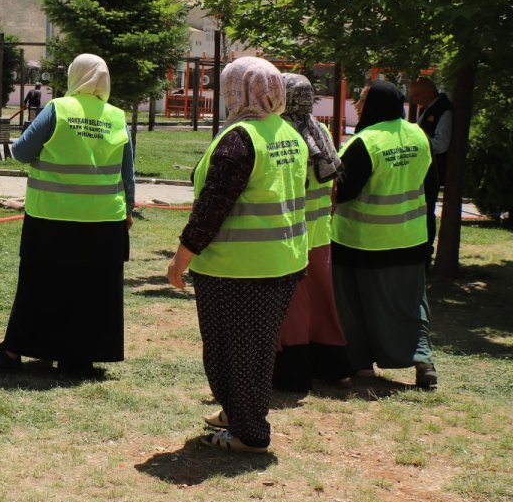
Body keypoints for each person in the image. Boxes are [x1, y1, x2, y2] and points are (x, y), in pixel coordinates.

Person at [165, 56, 309, 454]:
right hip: (284, 262)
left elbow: (212, 207)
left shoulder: (239, 138)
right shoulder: (288, 133)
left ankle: (250, 434)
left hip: (237, 268)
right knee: (254, 350)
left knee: (236, 353)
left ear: (235, 90)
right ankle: (237, 413)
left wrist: (181, 258)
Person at [0, 53, 133, 379]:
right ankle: (79, 359)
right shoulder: (117, 117)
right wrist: (128, 210)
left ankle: (16, 351)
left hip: (52, 218)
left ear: (76, 76)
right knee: (93, 291)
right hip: (104, 222)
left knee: (40, 286)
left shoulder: (58, 109)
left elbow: (20, 151)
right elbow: (126, 173)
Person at [331, 80, 438, 390]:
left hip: (360, 242)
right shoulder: (419, 135)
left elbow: (345, 191)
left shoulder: (365, 142)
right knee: (412, 304)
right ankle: (423, 361)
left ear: (374, 104)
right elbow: (431, 188)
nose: (358, 105)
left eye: (362, 99)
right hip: (411, 240)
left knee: (353, 304)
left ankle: (360, 363)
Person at [273, 73, 351, 392]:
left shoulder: (283, 134)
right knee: (323, 305)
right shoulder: (321, 132)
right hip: (320, 236)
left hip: (291, 238)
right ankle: (333, 369)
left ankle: (293, 375)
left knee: (292, 308)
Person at [408, 76, 451, 248]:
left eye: (417, 95)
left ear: (430, 91)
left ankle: (427, 248)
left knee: (427, 212)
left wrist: (417, 143)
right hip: (423, 170)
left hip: (433, 171)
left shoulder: (444, 111)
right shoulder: (427, 109)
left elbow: (442, 143)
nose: (414, 100)